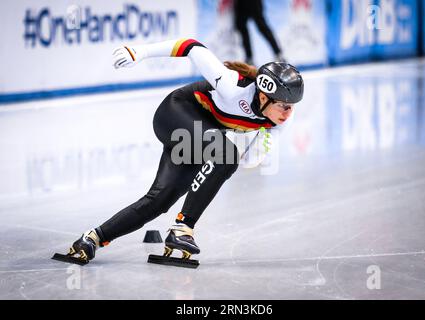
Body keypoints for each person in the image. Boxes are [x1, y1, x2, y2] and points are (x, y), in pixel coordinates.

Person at [64, 38, 304, 263]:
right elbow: (191, 46)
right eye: (283, 106)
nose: (288, 113)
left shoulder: (278, 120)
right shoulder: (231, 85)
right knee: (226, 154)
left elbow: (251, 160)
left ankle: (92, 238)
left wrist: (259, 141)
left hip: (199, 135)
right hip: (175, 113)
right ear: (263, 97)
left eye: (292, 107)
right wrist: (140, 52)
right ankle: (183, 228)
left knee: (160, 199)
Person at [234, 0, 285, 65]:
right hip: (241, 3)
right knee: (241, 27)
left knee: (262, 26)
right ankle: (249, 58)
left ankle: (278, 54)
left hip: (254, 2)